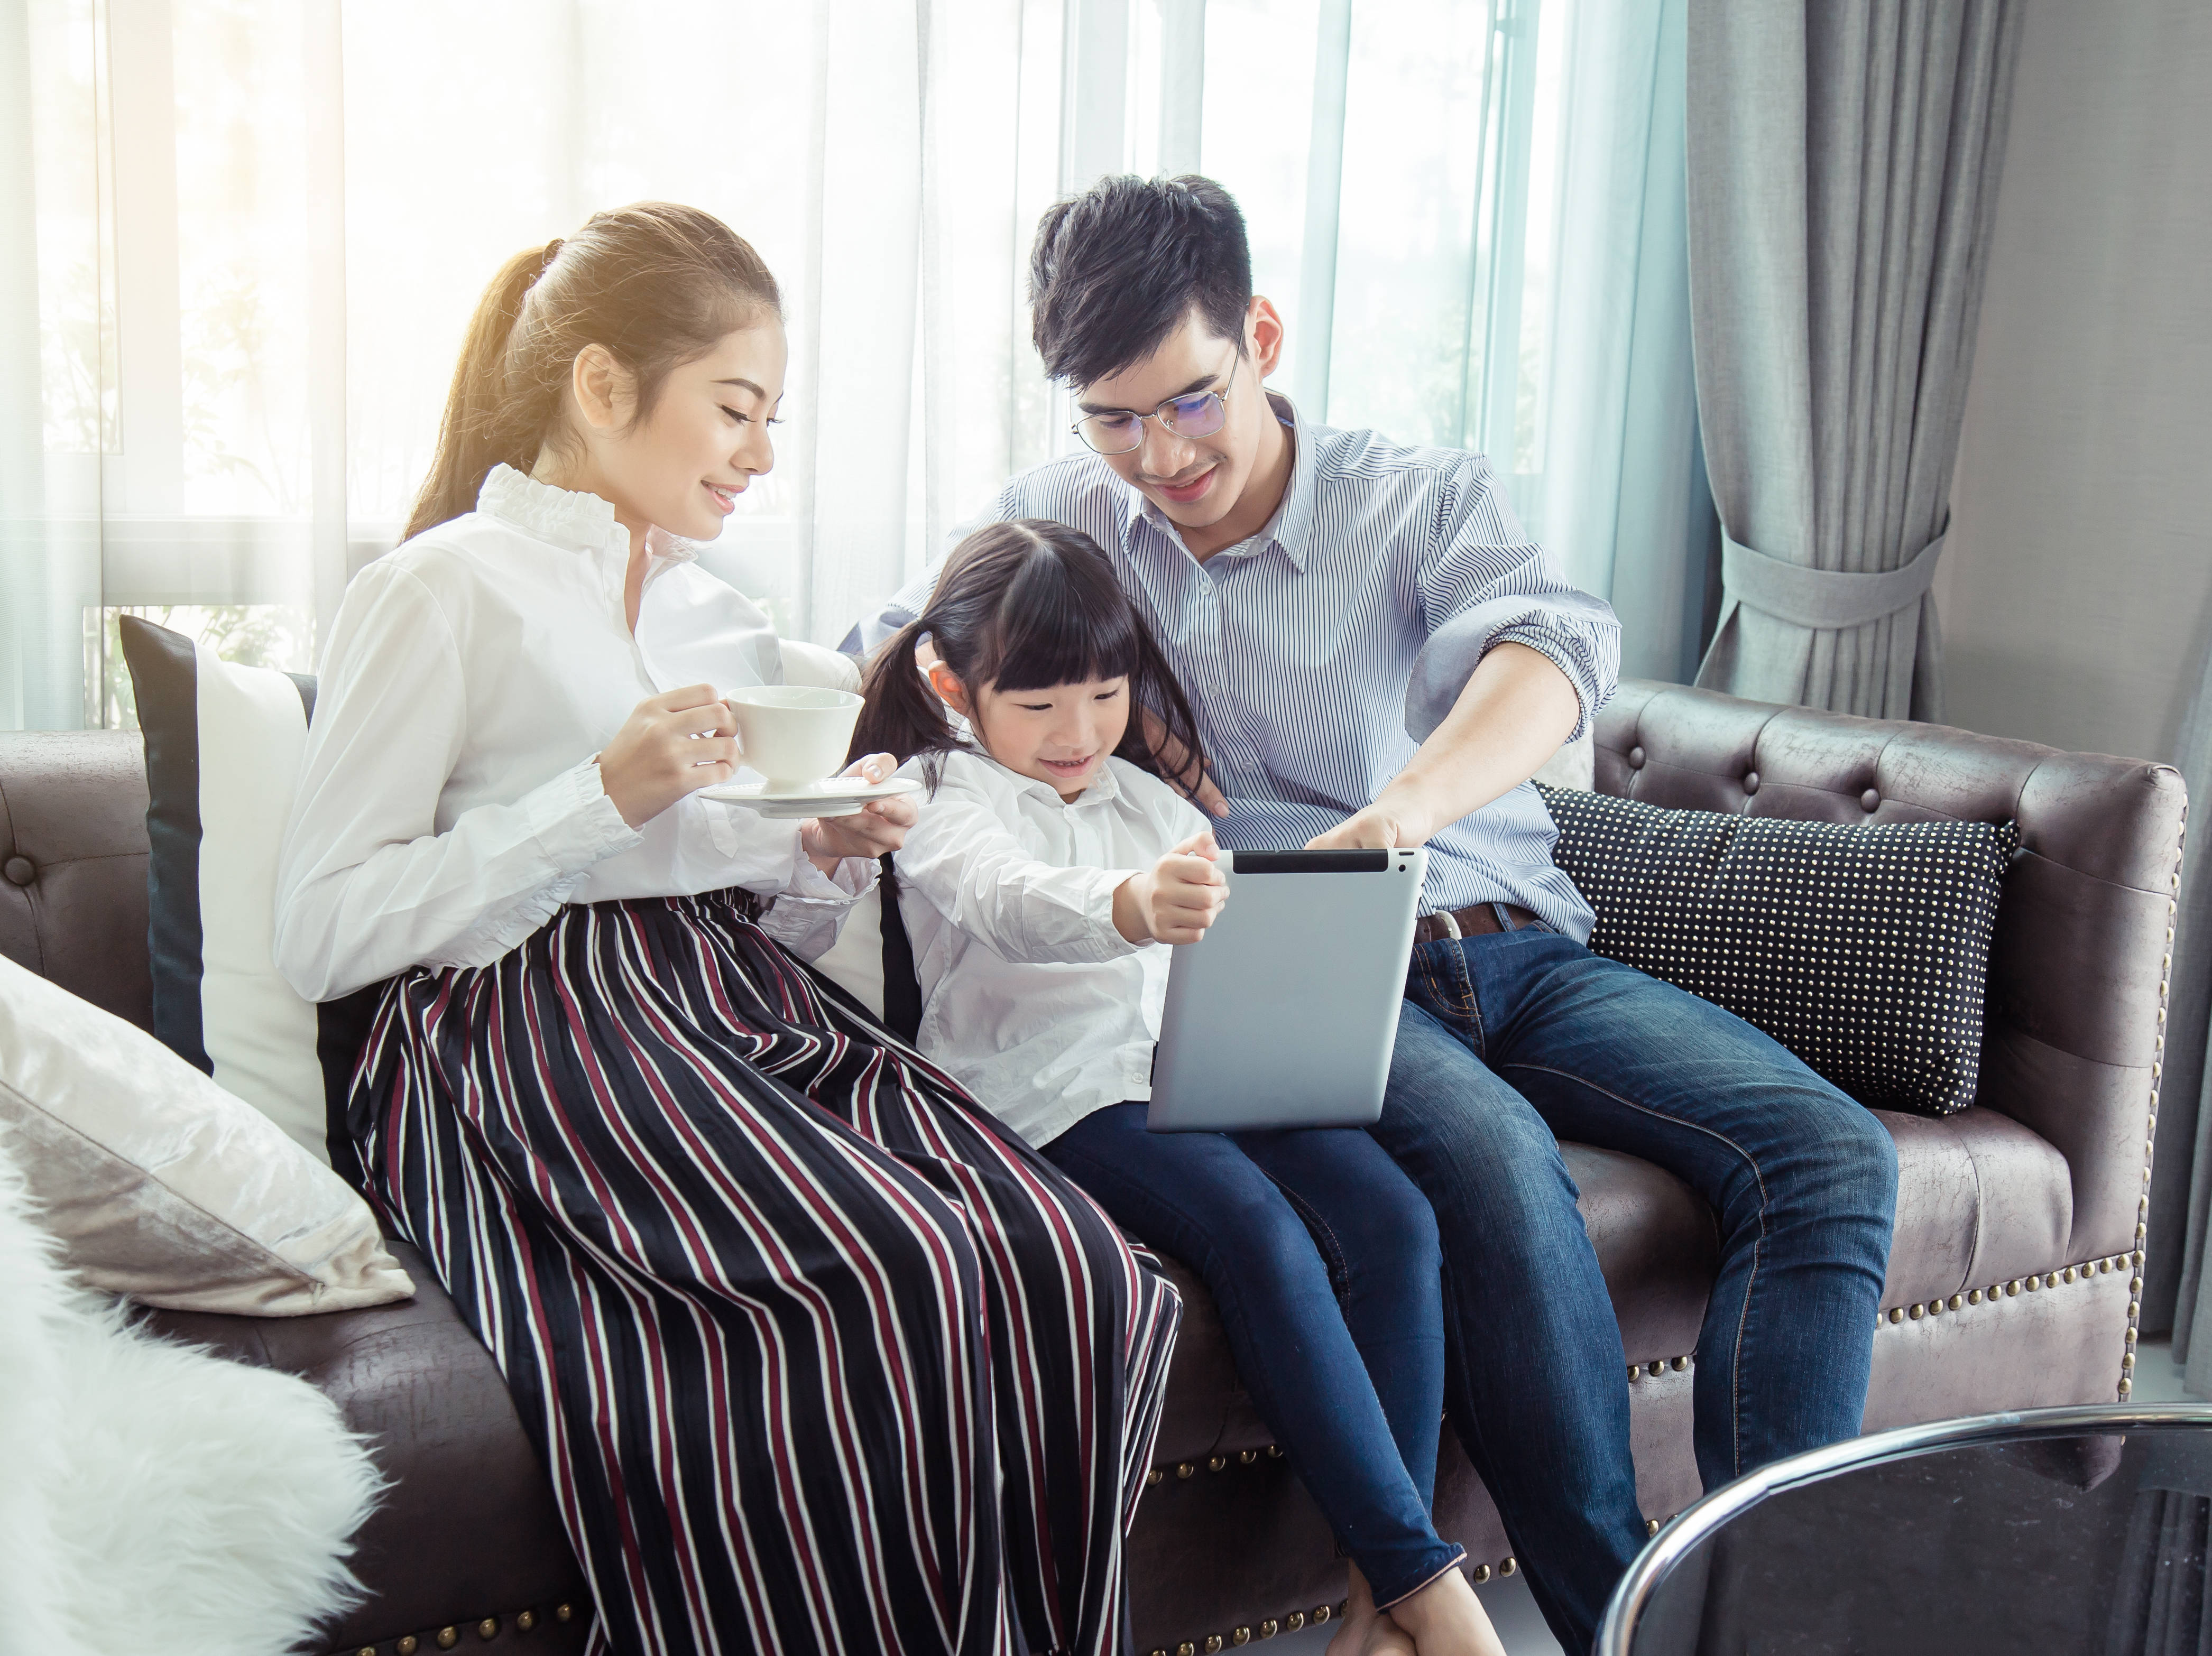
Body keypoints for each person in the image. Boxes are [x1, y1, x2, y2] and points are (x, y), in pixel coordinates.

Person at [851, 174, 1902, 1655]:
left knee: (1828, 1151)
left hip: (1514, 935)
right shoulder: (1055, 520)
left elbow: (1553, 652)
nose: (1157, 455)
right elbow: (891, 670)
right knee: (1495, 1171)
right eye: (1111, 418)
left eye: (1188, 402)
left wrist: (1401, 809)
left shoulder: (1417, 495)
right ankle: (1622, 1621)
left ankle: (1750, 1599)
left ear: (1260, 335)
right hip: (1309, 975)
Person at [273, 203, 1180, 1656]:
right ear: (599, 384)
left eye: (773, 416)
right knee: (912, 1270)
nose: (761, 454)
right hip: (519, 1026)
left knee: (1067, 1252)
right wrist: (589, 797)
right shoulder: (436, 589)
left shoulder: (720, 615)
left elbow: (743, 891)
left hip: (729, 996)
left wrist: (819, 846)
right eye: (736, 408)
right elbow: (320, 933)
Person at [852, 519, 1508, 1656]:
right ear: (952, 682)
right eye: (1041, 700)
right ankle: (1432, 1591)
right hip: (1051, 1093)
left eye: (1104, 694)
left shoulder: (1146, 800)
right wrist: (1129, 905)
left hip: (1195, 1065)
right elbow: (1007, 897)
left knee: (1393, 1216)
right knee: (1257, 1228)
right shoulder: (934, 794)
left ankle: (1372, 1608)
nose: (1079, 730)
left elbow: (1221, 937)